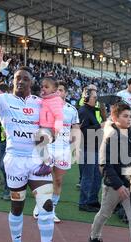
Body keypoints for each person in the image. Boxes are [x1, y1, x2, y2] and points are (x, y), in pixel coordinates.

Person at [0, 46, 61, 242]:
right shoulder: (4, 100)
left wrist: (45, 142)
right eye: (17, 78)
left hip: (37, 161)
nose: (20, 81)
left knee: (46, 205)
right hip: (14, 161)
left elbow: (52, 129)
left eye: (25, 79)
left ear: (31, 83)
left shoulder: (39, 103)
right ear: (12, 81)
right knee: (17, 206)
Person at [89, 101, 131, 242]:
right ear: (114, 118)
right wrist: (119, 185)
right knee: (104, 214)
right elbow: (104, 165)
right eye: (125, 116)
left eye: (130, 116)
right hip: (113, 185)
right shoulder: (109, 136)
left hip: (130, 184)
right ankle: (94, 237)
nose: (129, 120)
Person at [33, 80, 80, 223]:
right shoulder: (44, 105)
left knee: (58, 181)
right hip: (47, 147)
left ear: (65, 93)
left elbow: (76, 128)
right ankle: (40, 206)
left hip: (64, 149)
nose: (58, 93)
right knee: (45, 180)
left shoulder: (71, 109)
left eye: (60, 90)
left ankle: (52, 209)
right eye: (56, 90)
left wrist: (75, 148)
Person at [78, 86, 103, 213]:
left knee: (97, 176)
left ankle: (92, 200)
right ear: (87, 98)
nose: (96, 99)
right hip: (87, 148)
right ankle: (84, 202)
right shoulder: (83, 111)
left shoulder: (93, 110)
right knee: (88, 176)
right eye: (94, 97)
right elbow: (82, 131)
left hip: (96, 147)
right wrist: (99, 126)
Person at [33, 76, 65, 176]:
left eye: (46, 87)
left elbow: (59, 117)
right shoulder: (46, 99)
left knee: (39, 139)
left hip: (50, 129)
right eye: (42, 86)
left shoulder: (54, 100)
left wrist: (56, 131)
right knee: (41, 144)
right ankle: (45, 164)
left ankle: (47, 164)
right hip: (44, 127)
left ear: (54, 89)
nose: (43, 89)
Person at [0, 82, 11, 201]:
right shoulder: (0, 105)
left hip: (11, 141)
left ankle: (10, 190)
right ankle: (8, 190)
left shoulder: (11, 104)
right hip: (2, 140)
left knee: (4, 166)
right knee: (3, 166)